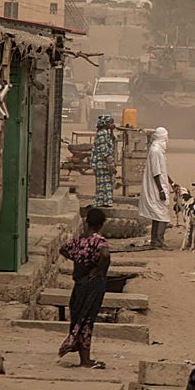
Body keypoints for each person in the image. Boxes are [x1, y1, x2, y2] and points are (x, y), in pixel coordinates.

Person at [57, 207, 110, 369]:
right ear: (101, 224)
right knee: (87, 321)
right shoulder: (99, 241)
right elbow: (105, 255)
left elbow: (63, 249)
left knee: (78, 317)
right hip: (94, 285)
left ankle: (82, 356)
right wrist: (98, 270)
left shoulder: (79, 240)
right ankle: (85, 360)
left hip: (79, 284)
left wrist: (77, 260)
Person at [139, 126, 171, 249]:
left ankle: (154, 241)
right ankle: (159, 242)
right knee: (162, 215)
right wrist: (161, 190)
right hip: (156, 187)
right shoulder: (156, 151)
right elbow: (156, 172)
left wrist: (171, 182)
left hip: (160, 185)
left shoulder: (158, 149)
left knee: (157, 214)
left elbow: (162, 171)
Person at [90, 115, 116, 208]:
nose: (112, 124)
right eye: (110, 122)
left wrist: (112, 130)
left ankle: (104, 201)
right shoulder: (102, 134)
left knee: (105, 182)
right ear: (105, 123)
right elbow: (104, 151)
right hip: (101, 162)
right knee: (103, 182)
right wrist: (110, 164)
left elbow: (113, 140)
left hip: (104, 162)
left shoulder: (106, 133)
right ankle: (102, 202)